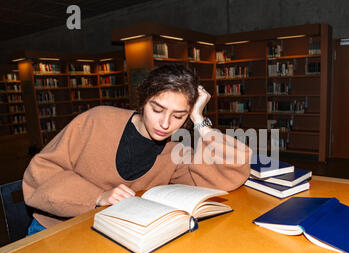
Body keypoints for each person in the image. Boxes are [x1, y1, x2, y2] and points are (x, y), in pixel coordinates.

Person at [23, 64, 250, 235]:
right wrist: (96, 197)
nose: (165, 124)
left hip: (112, 235)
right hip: (56, 230)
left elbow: (231, 173)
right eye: (157, 109)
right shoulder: (97, 120)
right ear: (142, 101)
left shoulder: (175, 150)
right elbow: (40, 173)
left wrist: (200, 119)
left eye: (178, 116)